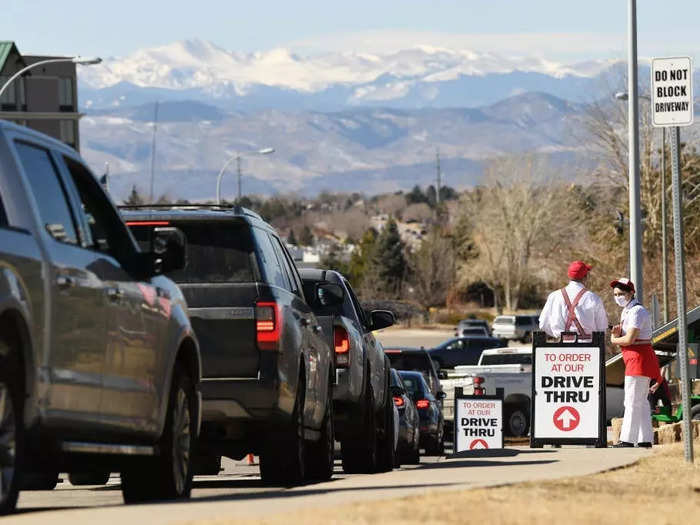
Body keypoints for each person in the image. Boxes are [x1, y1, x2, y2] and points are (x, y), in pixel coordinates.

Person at [609, 278, 663, 448]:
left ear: (631, 293)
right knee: (641, 401)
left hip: (639, 359)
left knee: (632, 401)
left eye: (622, 294)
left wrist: (613, 339)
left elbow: (630, 338)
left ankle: (627, 439)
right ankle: (644, 438)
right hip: (636, 358)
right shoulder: (627, 311)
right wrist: (618, 336)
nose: (618, 297)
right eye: (616, 294)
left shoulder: (637, 311)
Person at [539, 261, 609, 341]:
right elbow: (601, 329)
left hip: (561, 348)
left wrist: (559, 335)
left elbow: (543, 324)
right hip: (588, 348)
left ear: (569, 275)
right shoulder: (593, 298)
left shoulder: (554, 296)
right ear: (586, 276)